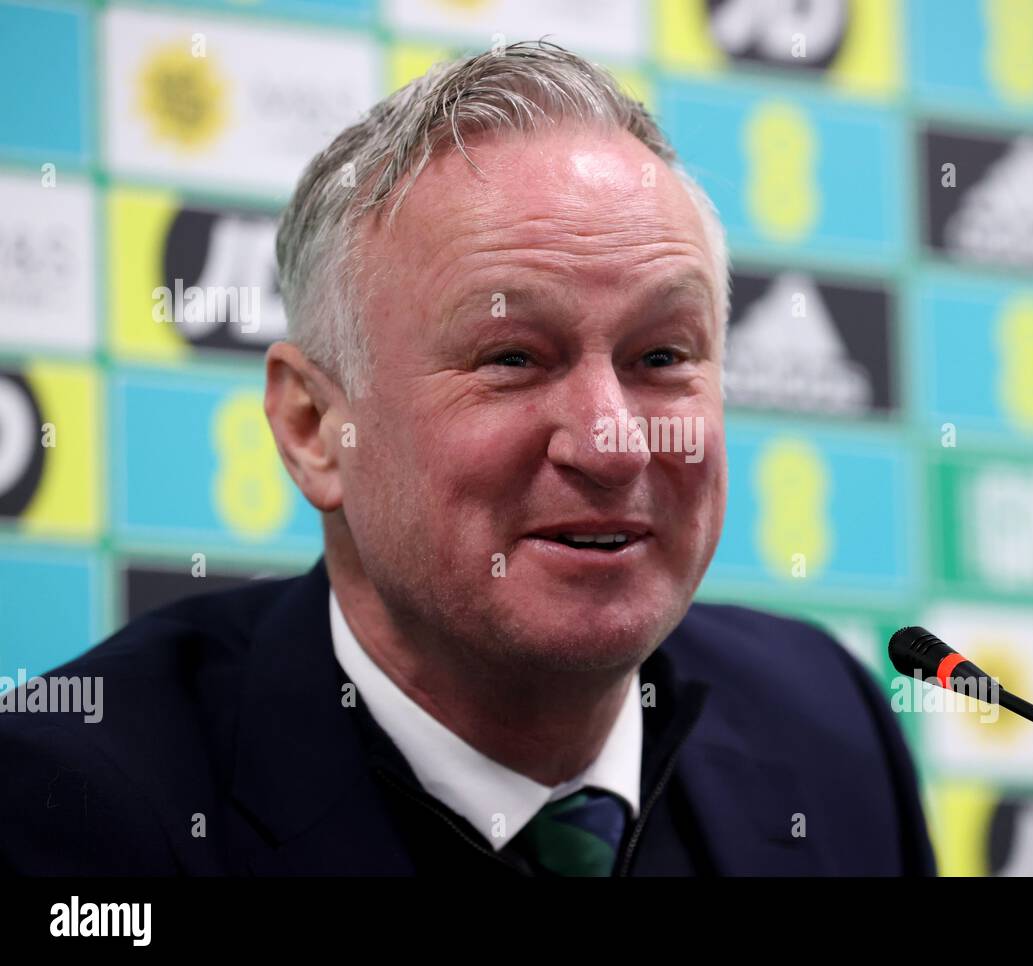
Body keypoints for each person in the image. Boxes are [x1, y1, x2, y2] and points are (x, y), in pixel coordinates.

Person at [0, 42, 934, 876]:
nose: (612, 444)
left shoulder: (826, 728)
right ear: (314, 426)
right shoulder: (75, 803)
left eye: (661, 358)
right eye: (513, 359)